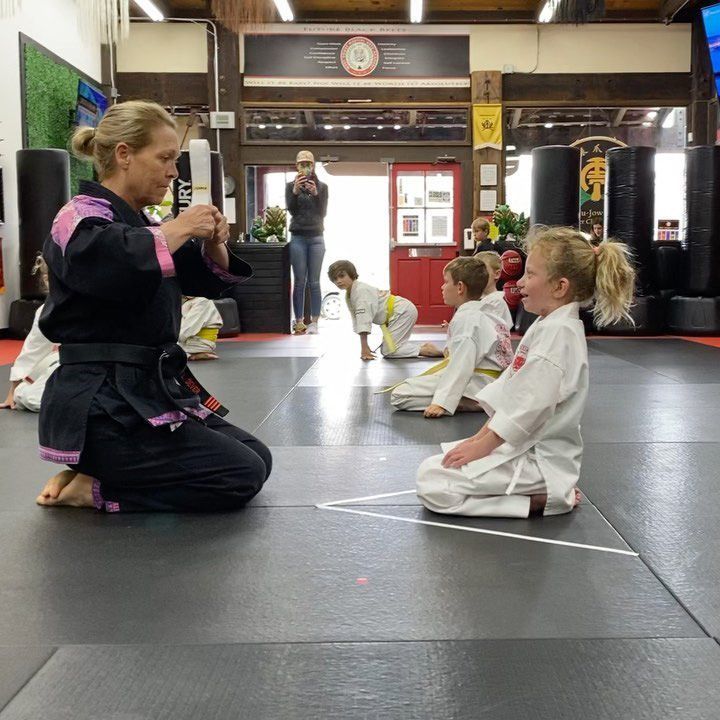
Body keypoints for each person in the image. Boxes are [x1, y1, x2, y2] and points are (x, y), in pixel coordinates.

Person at [34, 100, 271, 512]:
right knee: (239, 475)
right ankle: (93, 490)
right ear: (124, 154)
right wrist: (180, 226)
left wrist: (214, 240)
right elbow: (116, 262)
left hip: (148, 393)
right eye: (164, 158)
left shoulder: (145, 224)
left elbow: (204, 281)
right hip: (100, 406)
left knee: (258, 457)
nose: (173, 172)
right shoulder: (76, 218)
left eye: (175, 160)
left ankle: (101, 472)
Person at [416, 227, 635, 518]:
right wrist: (477, 440)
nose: (519, 282)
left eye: (530, 274)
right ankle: (548, 490)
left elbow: (529, 407)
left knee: (434, 485)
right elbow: (510, 392)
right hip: (521, 446)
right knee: (433, 468)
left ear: (560, 287)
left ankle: (542, 498)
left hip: (539, 459)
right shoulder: (548, 326)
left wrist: (483, 447)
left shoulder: (558, 335)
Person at [390, 257, 513, 417]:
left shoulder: (468, 319)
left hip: (478, 382)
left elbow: (462, 364)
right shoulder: (486, 311)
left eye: (446, 282)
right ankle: (471, 398)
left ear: (460, 287)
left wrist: (441, 402)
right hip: (495, 381)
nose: (442, 287)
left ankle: (471, 402)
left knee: (400, 395)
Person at [328, 259, 434, 360]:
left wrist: (364, 348)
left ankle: (426, 350)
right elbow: (358, 320)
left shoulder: (360, 291)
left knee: (390, 351)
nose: (338, 281)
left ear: (351, 274)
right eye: (335, 279)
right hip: (398, 313)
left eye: (342, 276)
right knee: (388, 349)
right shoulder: (351, 293)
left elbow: (363, 320)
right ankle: (424, 347)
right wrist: (365, 347)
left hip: (402, 312)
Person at [285, 150, 329, 335]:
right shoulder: (290, 186)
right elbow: (291, 210)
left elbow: (323, 212)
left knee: (315, 282)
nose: (305, 166)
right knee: (299, 281)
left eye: (308, 163)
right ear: (296, 165)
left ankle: (315, 322)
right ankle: (299, 321)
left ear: (314, 165)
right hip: (298, 236)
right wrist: (295, 192)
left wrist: (316, 193)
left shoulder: (322, 186)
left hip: (317, 236)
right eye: (301, 163)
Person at [474, 251, 513, 329]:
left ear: (497, 274)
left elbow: (487, 331)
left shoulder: (497, 303)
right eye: (474, 272)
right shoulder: (476, 299)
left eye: (482, 272)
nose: (477, 276)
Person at [178, 296, 223, 361]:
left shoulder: (202, 301)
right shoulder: (187, 301)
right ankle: (192, 354)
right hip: (189, 341)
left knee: (167, 353)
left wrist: (173, 342)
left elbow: (188, 329)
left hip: (197, 342)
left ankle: (193, 354)